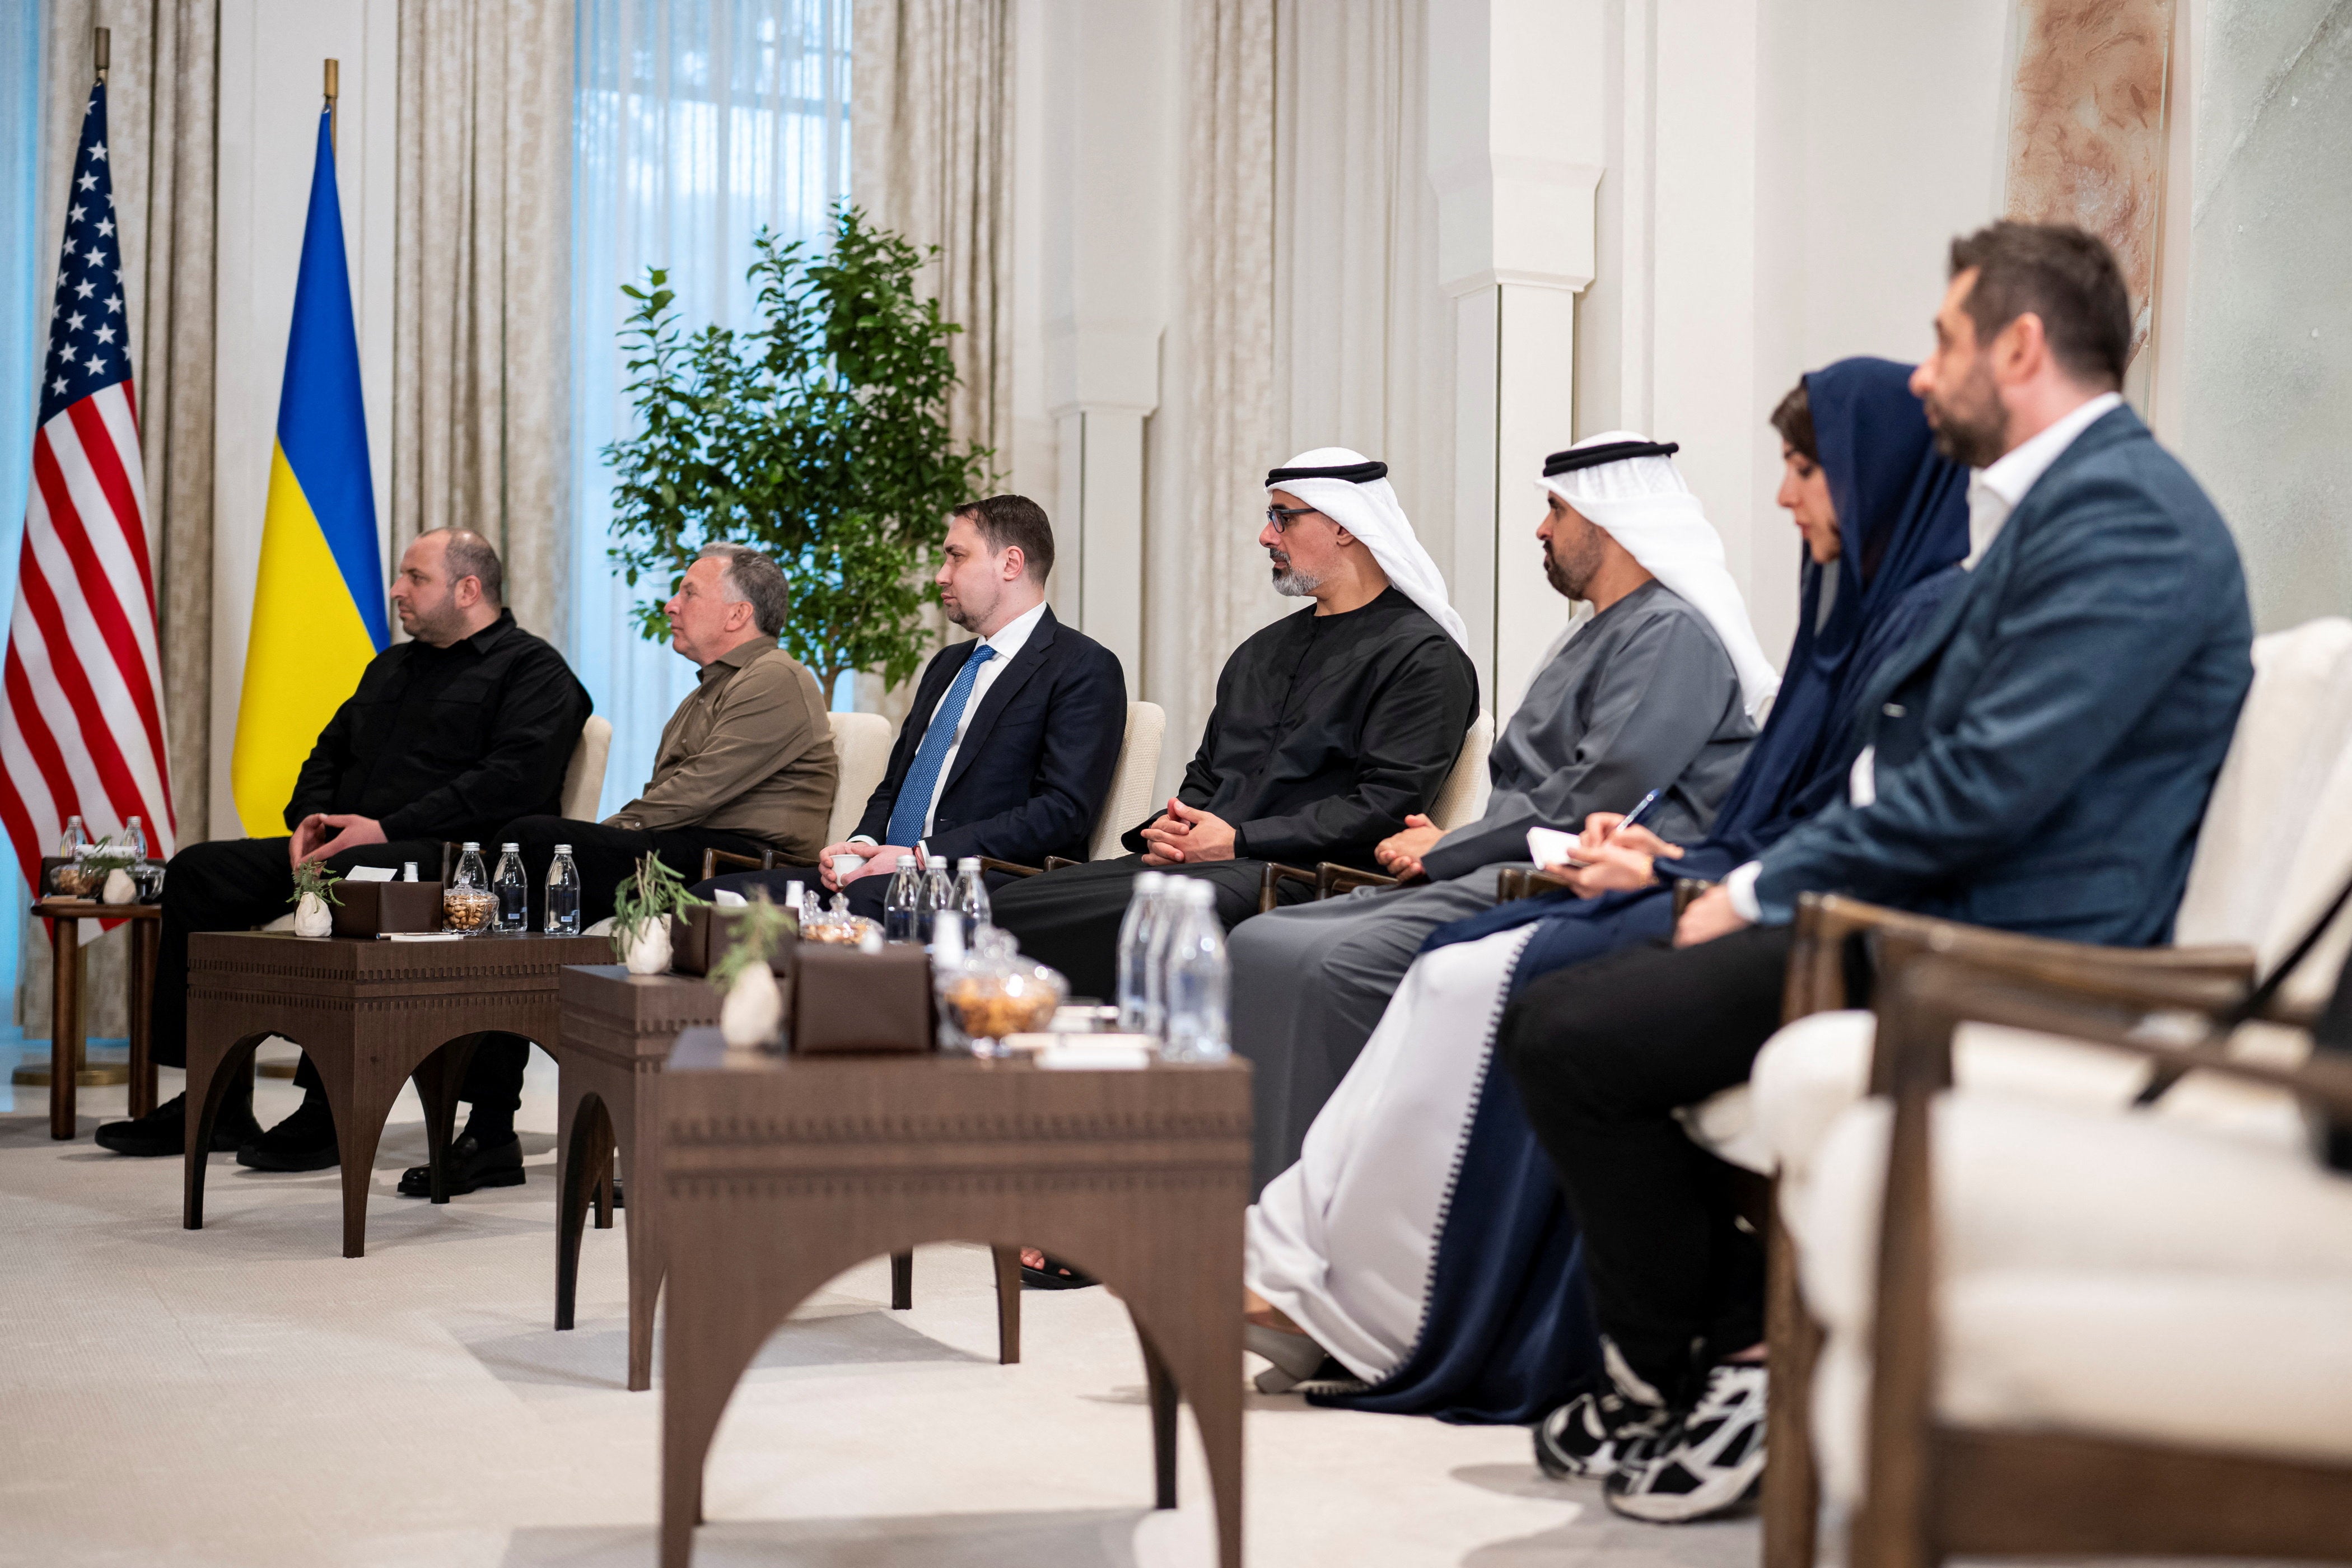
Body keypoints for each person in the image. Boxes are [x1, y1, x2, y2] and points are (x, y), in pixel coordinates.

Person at [1498, 222, 2254, 1523]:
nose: (1921, 374)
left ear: (2021, 347)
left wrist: (1754, 891)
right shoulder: (2062, 508)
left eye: (1946, 340)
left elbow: (1978, 789)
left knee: (1572, 1034)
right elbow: (1931, 771)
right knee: (1570, 1011)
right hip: (1932, 915)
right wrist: (1735, 879)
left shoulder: (2125, 517)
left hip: (2008, 955)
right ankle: (1717, 1345)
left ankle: (1723, 1350)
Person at [1240, 358, 1967, 1435]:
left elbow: (1633, 796)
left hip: (1636, 882)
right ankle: (1303, 1260)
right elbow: (1786, 809)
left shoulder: (1714, 629)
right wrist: (1687, 870)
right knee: (1324, 952)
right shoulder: (1830, 617)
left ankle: (1392, 1296)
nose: (1781, 496)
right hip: (1640, 872)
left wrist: (1690, 874)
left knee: (1449, 978)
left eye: (1805, 470)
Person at [1227, 433, 1772, 1191]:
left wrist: (1452, 847)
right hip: (1506, 862)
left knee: (1332, 966)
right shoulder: (1595, 633)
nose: (1542, 529)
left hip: (1569, 880)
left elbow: (1600, 795)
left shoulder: (1671, 632)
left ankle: (1334, 1197)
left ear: (1609, 523)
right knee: (1261, 940)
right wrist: (1462, 842)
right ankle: (1251, 1192)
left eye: (1557, 511)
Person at [94, 529, 590, 1167]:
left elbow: (509, 784)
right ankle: (214, 1098)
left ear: (469, 590)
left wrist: (384, 829)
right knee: (198, 871)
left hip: (448, 863)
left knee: (356, 873)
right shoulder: (391, 666)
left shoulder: (535, 671)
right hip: (341, 851)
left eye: (416, 577)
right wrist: (309, 820)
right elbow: (326, 753)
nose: (397, 590)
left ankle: (326, 1106)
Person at [399, 542, 836, 1198]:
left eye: (689, 592)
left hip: (734, 862)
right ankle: (489, 1120)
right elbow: (674, 802)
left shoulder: (775, 677)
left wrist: (597, 840)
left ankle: (492, 1125)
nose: (671, 604)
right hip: (685, 849)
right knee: (511, 882)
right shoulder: (707, 691)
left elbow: (693, 794)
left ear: (738, 614)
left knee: (528, 848)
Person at [988, 450, 1482, 1002]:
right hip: (1216, 867)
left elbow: (1385, 805)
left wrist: (1240, 840)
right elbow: (1207, 775)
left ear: (1345, 526)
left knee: (1143, 913)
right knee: (1011, 903)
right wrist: (1174, 828)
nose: (1266, 536)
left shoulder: (1423, 656)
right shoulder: (1261, 652)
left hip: (1311, 878)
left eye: (1283, 518)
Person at [698, 493, 1126, 918]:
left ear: (1011, 564)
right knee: (709, 897)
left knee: (866, 901)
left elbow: (1061, 812)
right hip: (891, 874)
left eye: (956, 557)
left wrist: (921, 856)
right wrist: (863, 845)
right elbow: (895, 786)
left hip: (988, 881)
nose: (941, 575)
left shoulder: (1081, 666)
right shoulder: (948, 664)